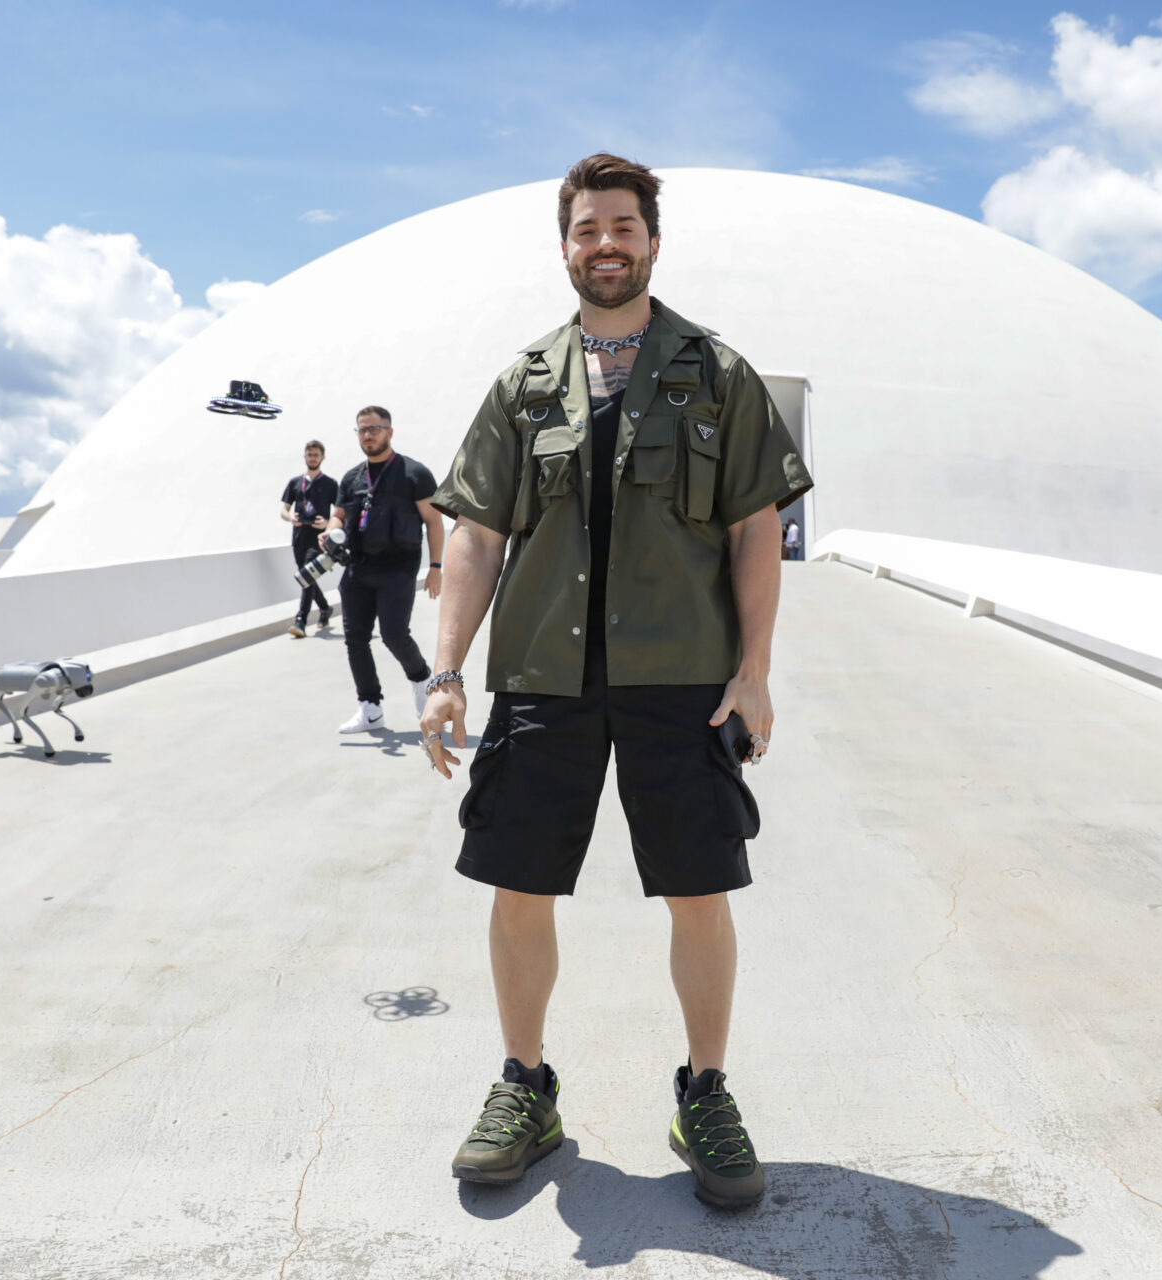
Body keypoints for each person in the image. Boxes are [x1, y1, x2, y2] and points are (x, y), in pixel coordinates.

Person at [421, 154, 811, 1207]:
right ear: (566, 244)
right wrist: (447, 669)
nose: (607, 243)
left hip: (680, 675)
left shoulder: (716, 374)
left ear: (651, 240)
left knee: (698, 889)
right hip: (545, 672)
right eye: (589, 227)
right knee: (519, 885)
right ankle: (525, 1086)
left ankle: (707, 1091)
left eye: (624, 226)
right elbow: (476, 532)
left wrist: (756, 669)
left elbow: (755, 529)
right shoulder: (523, 383)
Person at [326, 406, 444, 733]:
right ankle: (370, 708)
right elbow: (338, 515)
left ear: (389, 432)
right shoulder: (351, 478)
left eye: (375, 428)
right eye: (362, 429)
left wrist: (435, 567)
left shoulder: (414, 474)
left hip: (398, 569)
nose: (368, 435)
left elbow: (434, 521)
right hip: (356, 569)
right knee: (355, 639)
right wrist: (330, 529)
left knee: (394, 634)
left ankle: (422, 682)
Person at [281, 440, 338, 636]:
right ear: (304, 456)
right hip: (299, 536)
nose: (312, 457)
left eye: (316, 454)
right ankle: (324, 608)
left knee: (307, 574)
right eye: (309, 454)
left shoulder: (330, 484)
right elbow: (284, 510)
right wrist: (290, 518)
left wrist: (327, 523)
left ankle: (300, 621)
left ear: (323, 457)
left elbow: (341, 513)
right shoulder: (295, 482)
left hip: (319, 537)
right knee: (308, 577)